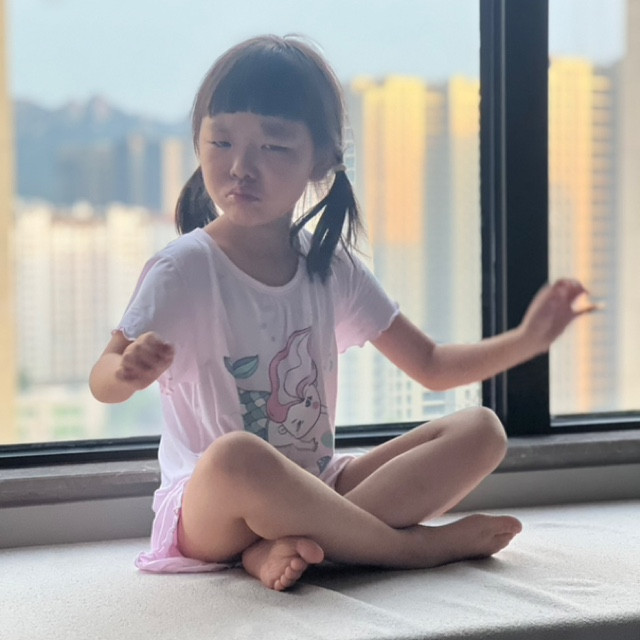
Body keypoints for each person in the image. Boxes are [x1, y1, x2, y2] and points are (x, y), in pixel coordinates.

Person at [89, 35, 596, 592]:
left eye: (273, 147)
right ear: (198, 144)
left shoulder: (329, 267)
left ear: (321, 162)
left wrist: (527, 340)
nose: (240, 167)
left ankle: (292, 548)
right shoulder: (184, 268)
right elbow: (102, 380)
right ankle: (406, 550)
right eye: (222, 141)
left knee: (483, 431)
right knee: (236, 455)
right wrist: (126, 371)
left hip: (318, 487)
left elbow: (431, 365)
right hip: (210, 508)